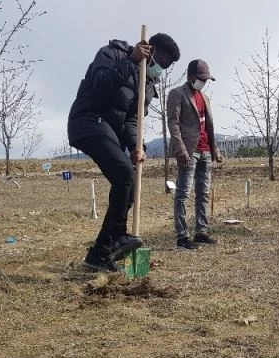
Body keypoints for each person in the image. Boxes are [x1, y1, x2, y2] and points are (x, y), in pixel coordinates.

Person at [68, 33, 180, 271]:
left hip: (110, 131)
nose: (161, 69)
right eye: (161, 62)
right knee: (123, 174)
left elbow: (132, 120)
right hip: (88, 120)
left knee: (129, 186)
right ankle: (118, 235)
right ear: (150, 50)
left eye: (166, 67)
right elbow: (99, 85)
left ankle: (100, 253)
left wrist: (137, 147)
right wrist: (130, 60)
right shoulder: (113, 53)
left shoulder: (147, 85)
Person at [168, 59, 222, 250]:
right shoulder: (176, 94)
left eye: (206, 79)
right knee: (183, 193)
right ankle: (182, 236)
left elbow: (209, 125)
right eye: (201, 78)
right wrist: (181, 149)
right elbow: (173, 124)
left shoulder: (205, 97)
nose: (204, 82)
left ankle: (202, 231)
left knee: (203, 193)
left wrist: (215, 149)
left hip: (206, 151)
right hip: (188, 152)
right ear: (191, 76)